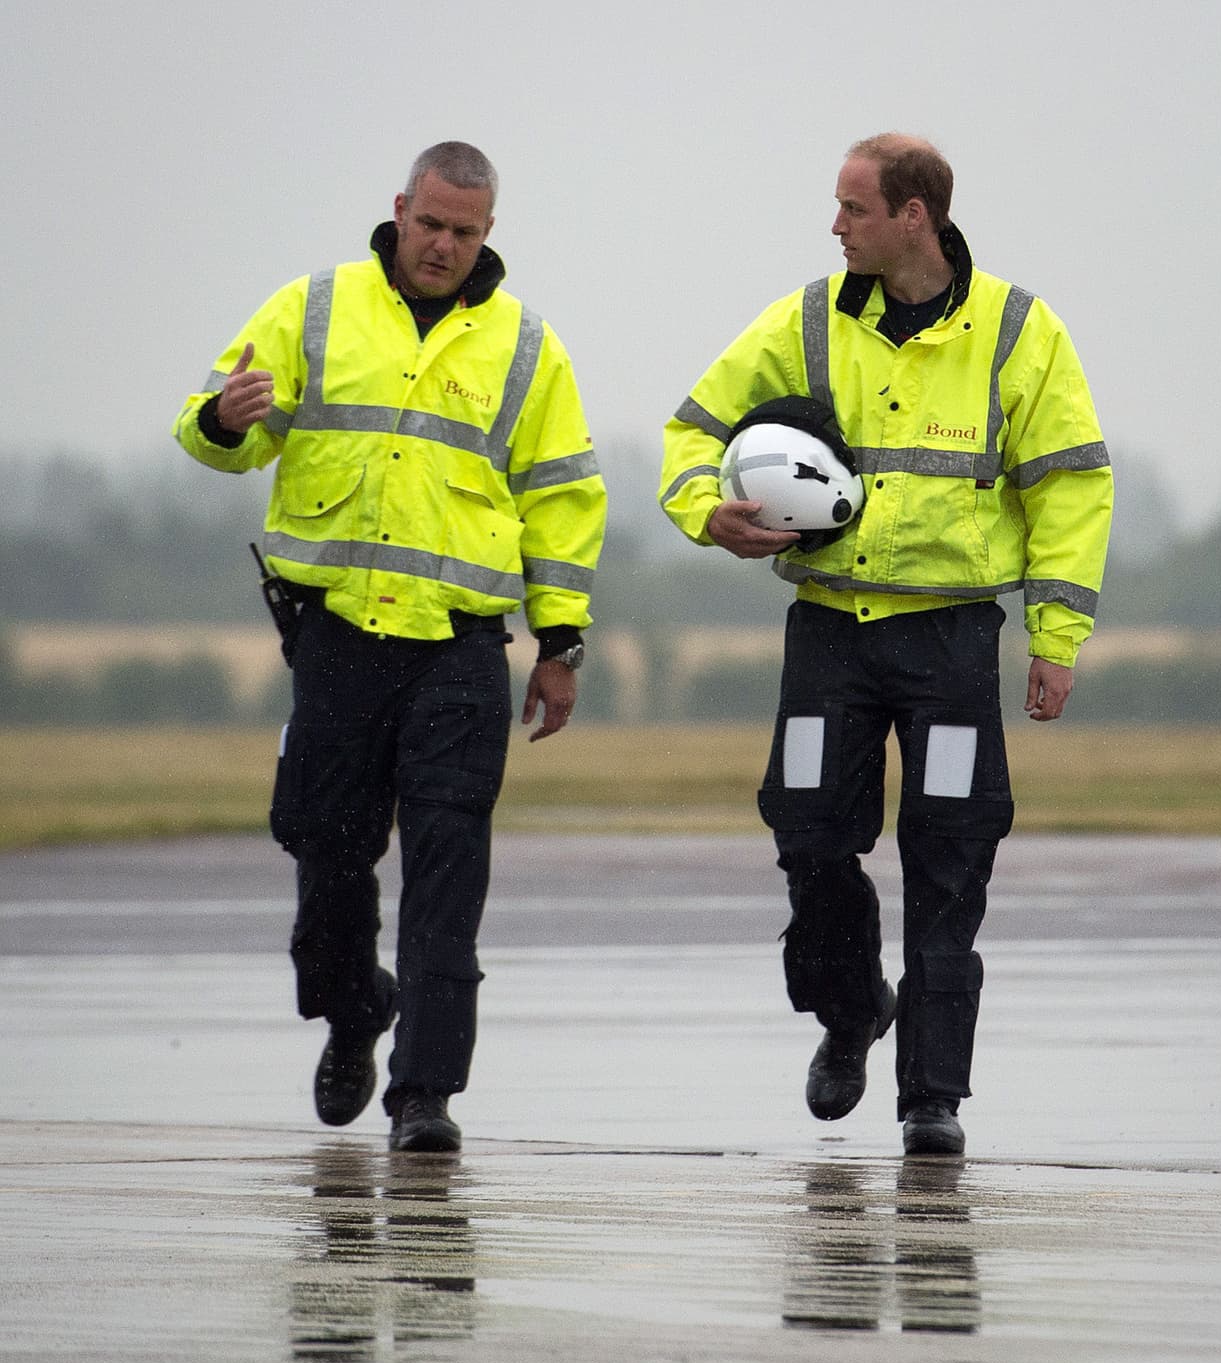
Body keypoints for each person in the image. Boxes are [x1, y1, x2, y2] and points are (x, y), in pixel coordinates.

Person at [658, 133, 1111, 1155]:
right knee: (809, 837)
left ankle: (931, 1099)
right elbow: (690, 430)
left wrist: (1056, 634)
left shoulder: (1017, 330)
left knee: (950, 865)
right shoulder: (807, 318)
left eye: (851, 207)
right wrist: (706, 509)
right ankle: (849, 1004)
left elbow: (1071, 486)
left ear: (914, 216)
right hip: (829, 634)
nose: (833, 225)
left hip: (952, 643)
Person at [175, 141, 606, 1154]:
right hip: (335, 641)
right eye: (431, 225)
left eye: (464, 231)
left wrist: (561, 642)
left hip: (460, 650)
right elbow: (209, 434)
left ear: (487, 232)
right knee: (325, 854)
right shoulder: (312, 308)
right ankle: (351, 1009)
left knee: (448, 871)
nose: (444, 245)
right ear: (400, 209)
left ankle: (425, 1096)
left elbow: (564, 501)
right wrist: (223, 419)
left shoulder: (528, 349)